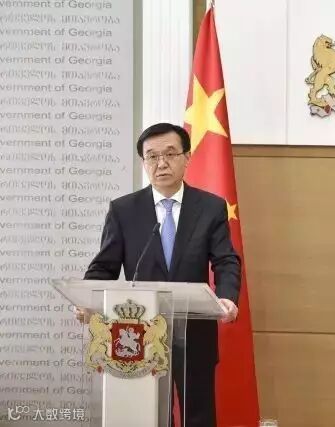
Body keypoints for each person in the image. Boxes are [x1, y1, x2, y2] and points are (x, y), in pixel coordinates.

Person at [79, 122, 240, 426]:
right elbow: (104, 267)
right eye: (152, 156)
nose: (161, 163)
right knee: (148, 414)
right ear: (144, 162)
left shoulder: (210, 207)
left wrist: (227, 297)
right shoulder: (124, 210)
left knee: (198, 415)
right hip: (138, 332)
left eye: (170, 154)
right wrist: (88, 301)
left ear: (187, 157)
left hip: (194, 331)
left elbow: (226, 260)